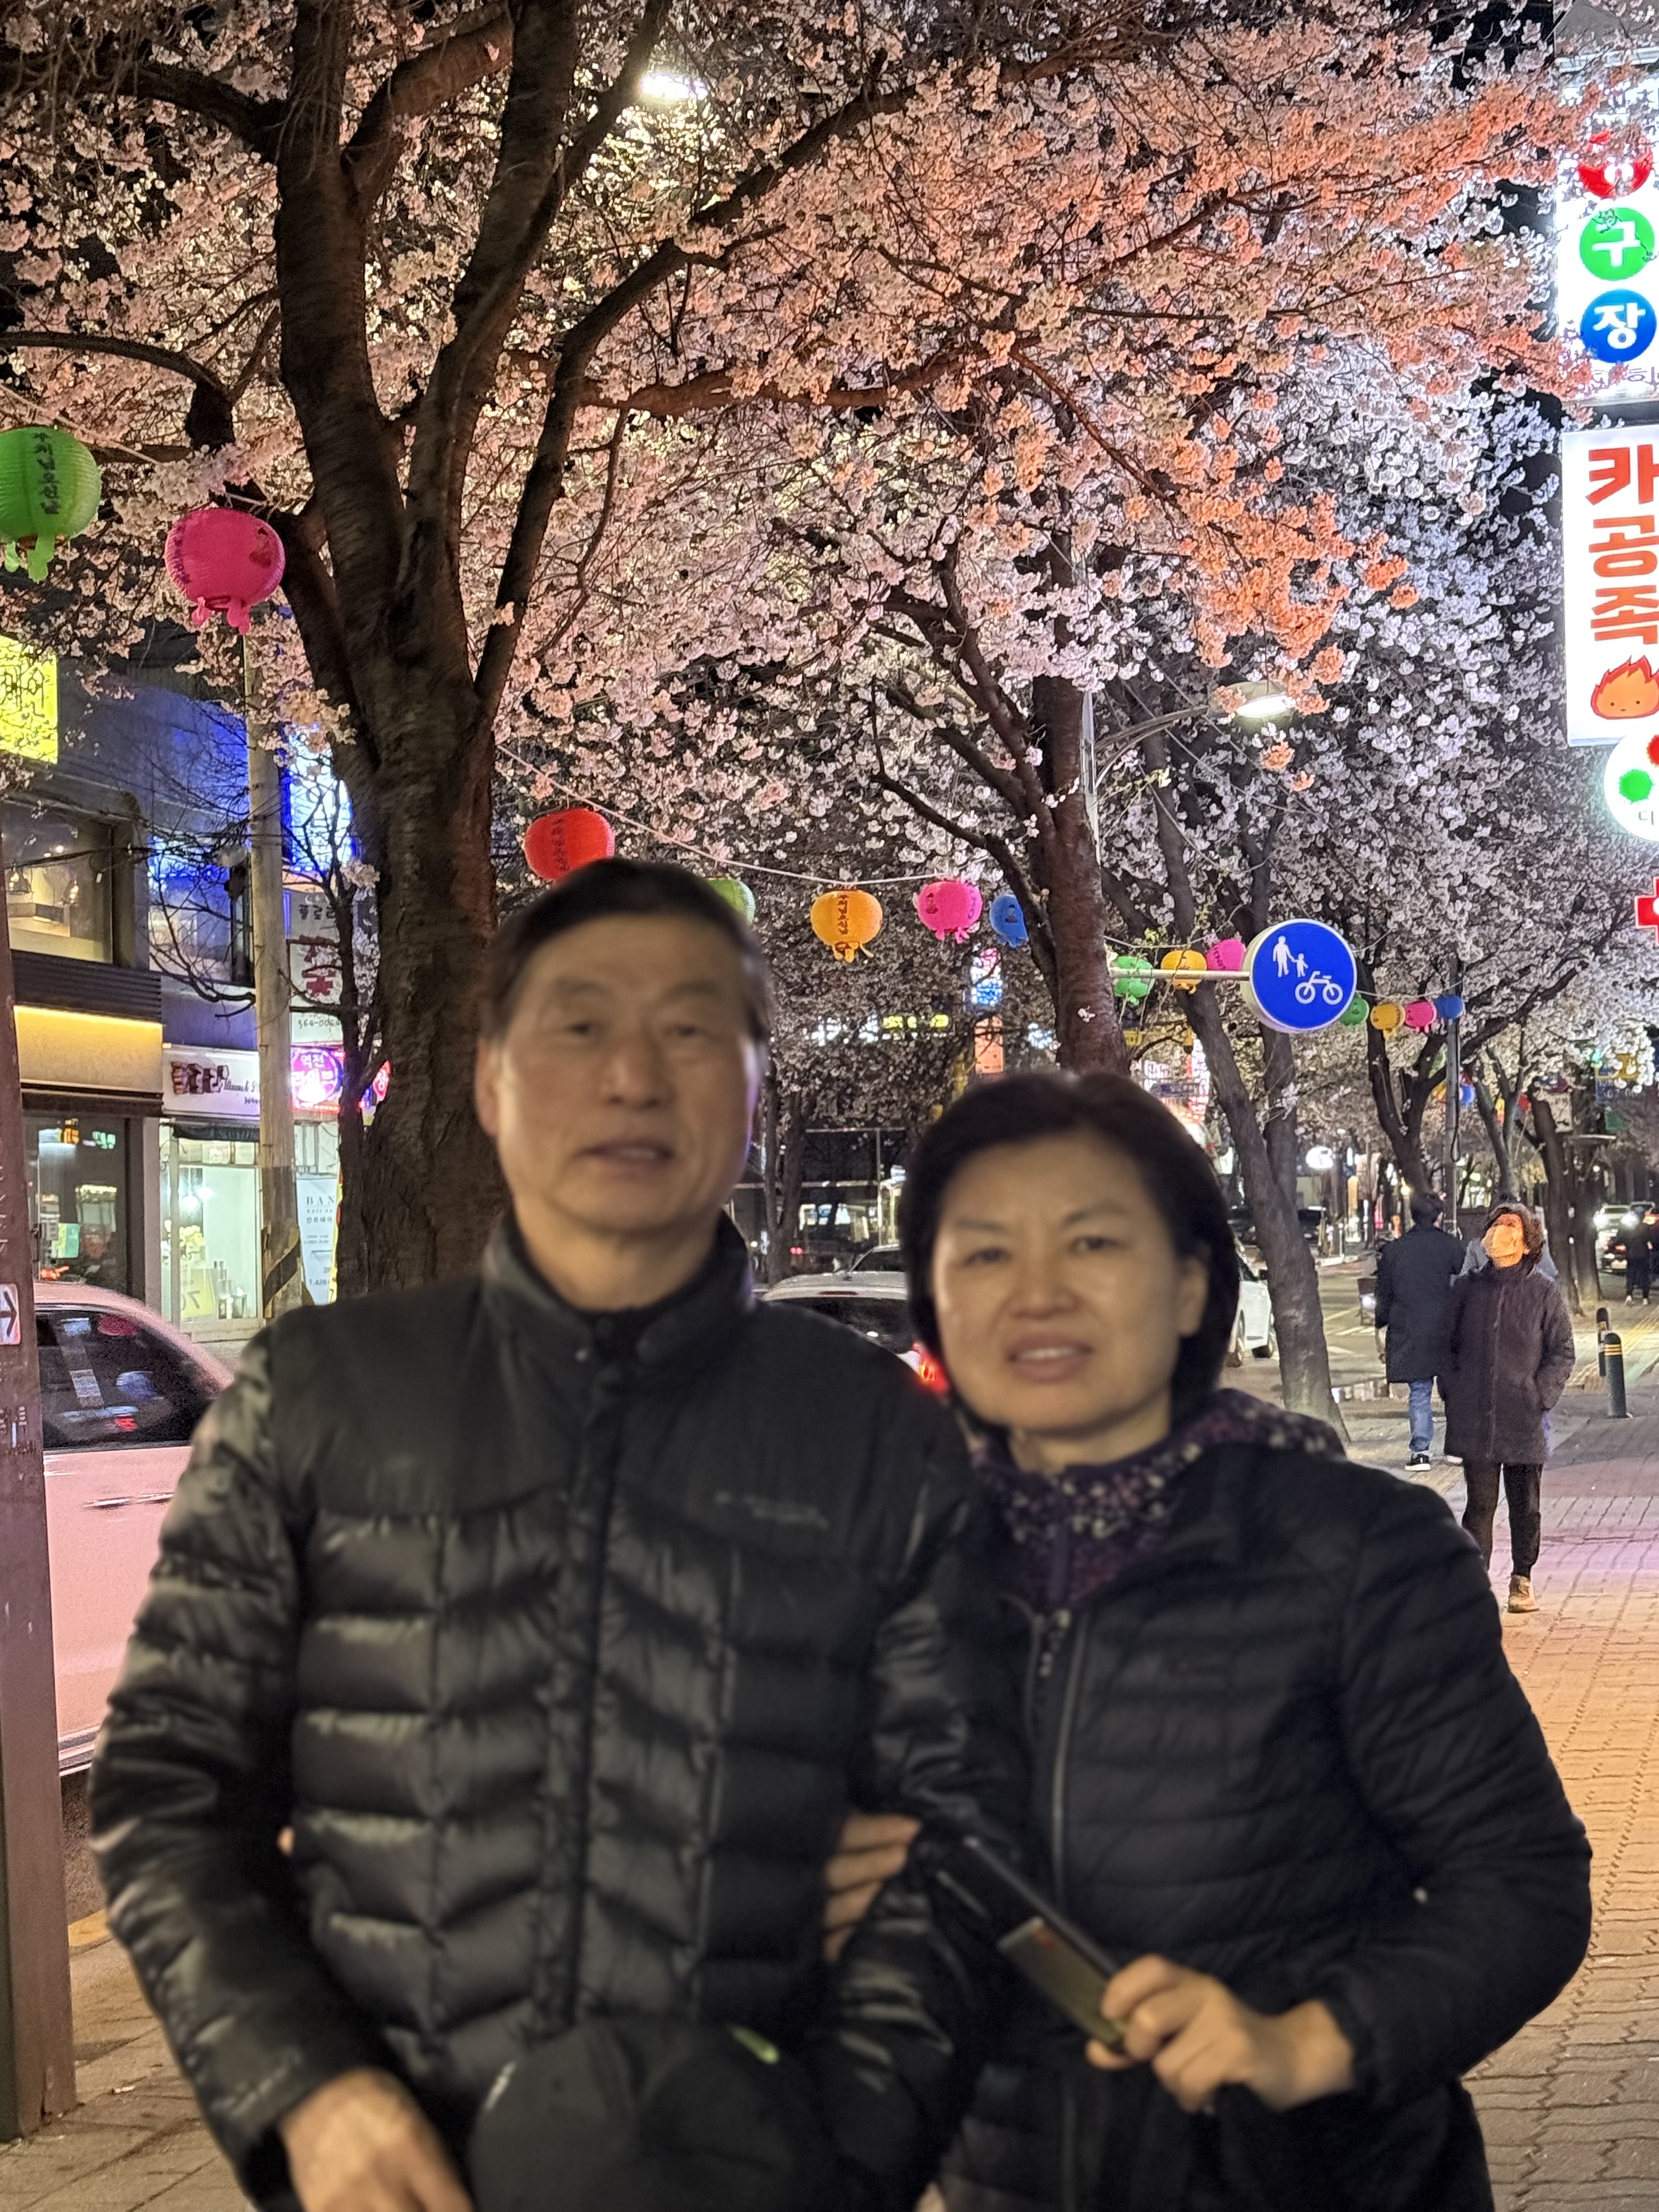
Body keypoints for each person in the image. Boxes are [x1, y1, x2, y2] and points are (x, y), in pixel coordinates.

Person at [89, 860, 1027, 2212]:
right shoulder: (318, 1396)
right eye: (579, 1026)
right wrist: (304, 2092)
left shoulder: (877, 1434)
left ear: (754, 1087)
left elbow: (965, 1841)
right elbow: (166, 1793)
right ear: (489, 1081)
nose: (632, 1076)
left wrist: (834, 2155)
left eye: (691, 1029)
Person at [827, 1073, 1589, 2212]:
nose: (1036, 1292)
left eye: (1092, 1243)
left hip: (1316, 2183)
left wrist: (1308, 2041)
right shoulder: (881, 1572)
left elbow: (1524, 1886)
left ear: (1190, 1285)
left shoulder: (1354, 1549)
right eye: (982, 1252)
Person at [1443, 1199, 1575, 1618]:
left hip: (1523, 1417)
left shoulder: (1543, 1292)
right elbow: (1446, 1346)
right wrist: (1454, 1390)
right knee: (1479, 1505)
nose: (1500, 1231)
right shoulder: (1467, 1289)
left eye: (1511, 1225)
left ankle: (1522, 1577)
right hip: (1475, 1415)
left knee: (1525, 1506)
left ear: (1526, 1240)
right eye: (1496, 1224)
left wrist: (1540, 1395)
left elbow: (1562, 1351)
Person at [1373, 1189, 1465, 1469]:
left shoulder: (1395, 1251)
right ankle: (1455, 1449)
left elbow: (1383, 1295)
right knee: (1453, 1392)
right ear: (1439, 1216)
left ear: (1412, 1215)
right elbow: (1467, 1285)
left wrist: (1380, 1327)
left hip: (1410, 1330)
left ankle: (1421, 1452)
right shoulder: (1452, 1248)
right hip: (1448, 1330)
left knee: (1420, 1392)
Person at [1625, 1208, 1654, 1304]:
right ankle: (1645, 1298)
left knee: (1630, 1275)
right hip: (1643, 1255)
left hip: (1631, 1255)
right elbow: (1650, 1239)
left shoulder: (1629, 1228)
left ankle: (1629, 1296)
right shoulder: (1646, 1228)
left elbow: (1622, 1238)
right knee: (1644, 1276)